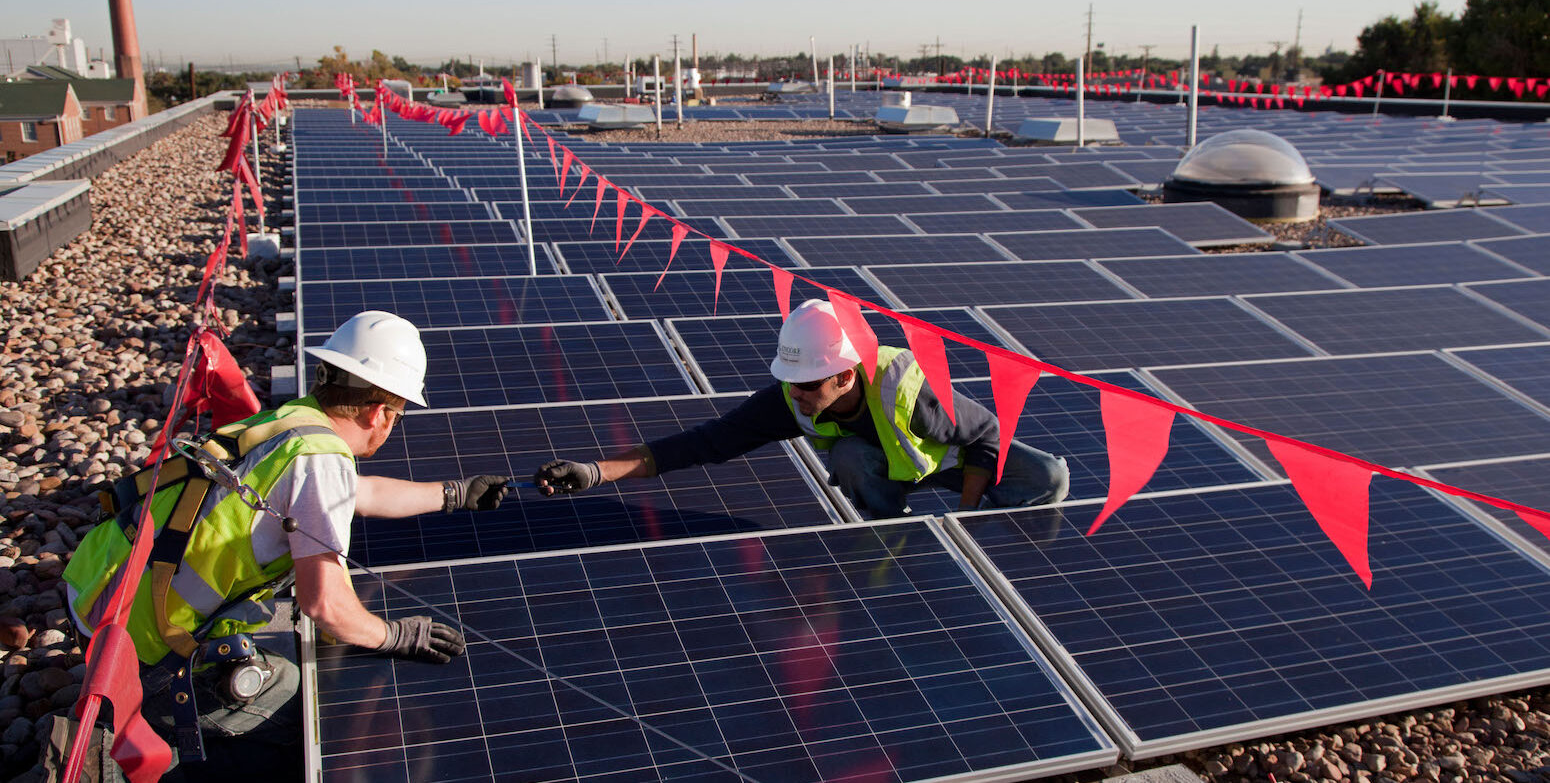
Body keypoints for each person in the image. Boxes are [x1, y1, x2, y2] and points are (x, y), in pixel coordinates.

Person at [60, 310, 513, 781]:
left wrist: (452, 494)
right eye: (398, 414)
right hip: (137, 647)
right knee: (311, 712)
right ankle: (151, 755)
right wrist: (394, 635)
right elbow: (325, 604)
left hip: (97, 588)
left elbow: (364, 495)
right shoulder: (321, 463)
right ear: (379, 412)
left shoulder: (293, 426)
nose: (393, 425)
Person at [535, 299, 1069, 518]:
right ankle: (890, 528)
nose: (796, 394)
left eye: (807, 383)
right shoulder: (793, 400)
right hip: (885, 474)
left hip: (947, 458)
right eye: (789, 382)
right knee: (852, 459)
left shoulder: (909, 389)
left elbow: (983, 435)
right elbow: (706, 443)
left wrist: (964, 520)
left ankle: (976, 540)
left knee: (1049, 477)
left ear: (845, 374)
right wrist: (595, 471)